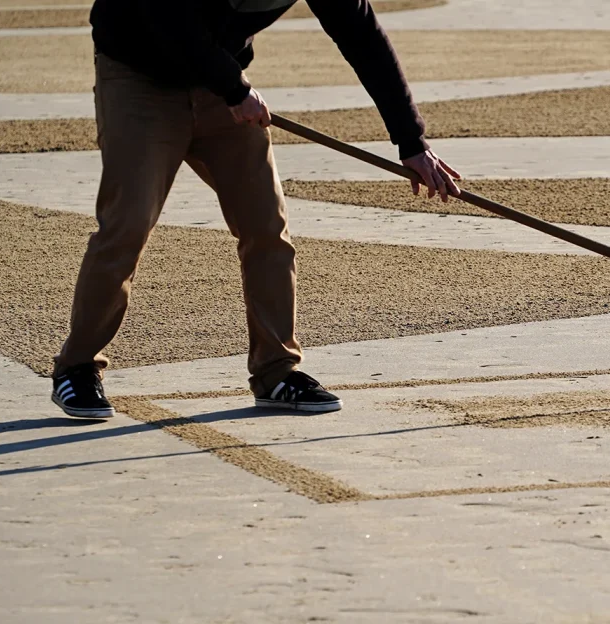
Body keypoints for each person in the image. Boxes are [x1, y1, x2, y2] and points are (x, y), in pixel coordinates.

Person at [51, 0, 461, 419]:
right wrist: (235, 88)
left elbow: (362, 35)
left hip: (221, 81)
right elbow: (165, 15)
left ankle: (276, 372)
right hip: (139, 76)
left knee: (266, 224)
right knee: (128, 222)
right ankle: (78, 366)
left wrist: (411, 142)